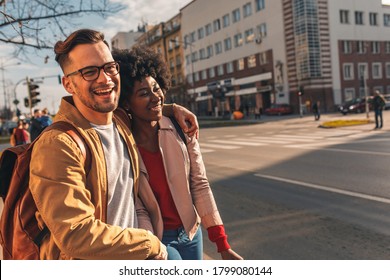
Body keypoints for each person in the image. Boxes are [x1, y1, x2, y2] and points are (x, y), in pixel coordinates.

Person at [29, 28, 198, 260]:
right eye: (89, 72)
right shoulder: (58, 145)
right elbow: (76, 235)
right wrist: (149, 244)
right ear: (68, 84)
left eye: (109, 67)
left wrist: (172, 108)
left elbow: (143, 106)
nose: (105, 78)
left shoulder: (119, 120)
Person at [112, 46, 243, 260]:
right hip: (157, 238)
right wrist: (151, 245)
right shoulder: (122, 142)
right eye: (143, 93)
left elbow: (199, 184)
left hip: (191, 233)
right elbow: (136, 205)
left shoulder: (181, 128)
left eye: (156, 88)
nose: (155, 97)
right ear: (126, 102)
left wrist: (222, 244)